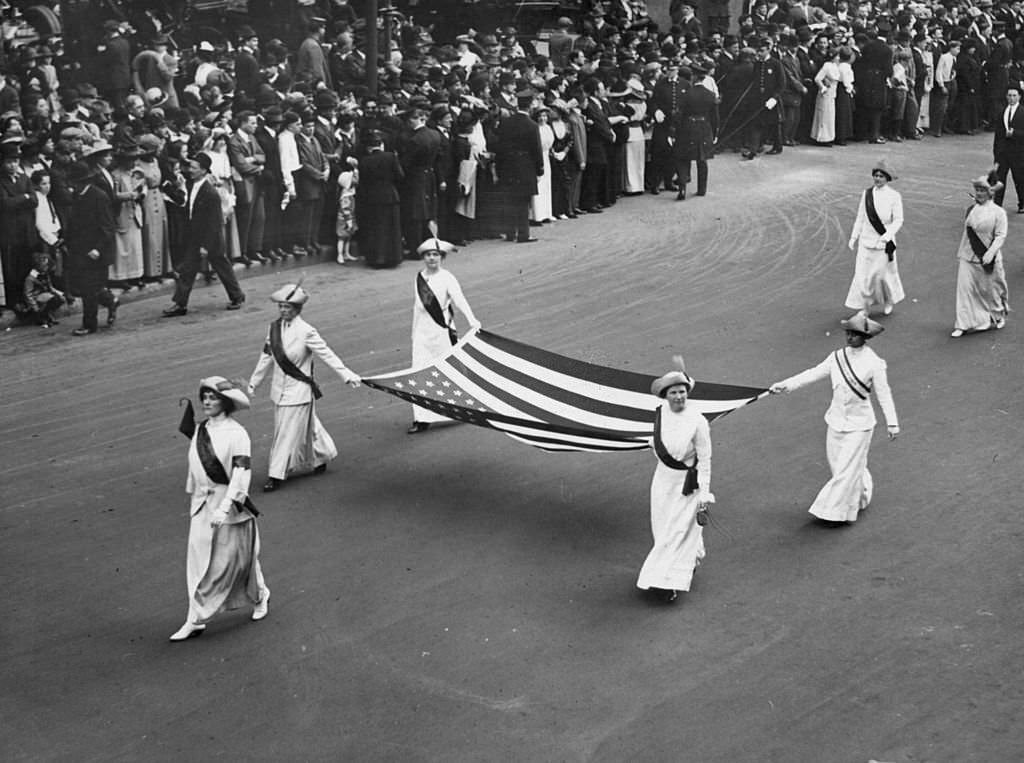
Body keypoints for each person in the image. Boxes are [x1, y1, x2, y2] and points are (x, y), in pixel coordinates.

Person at [769, 312, 899, 525]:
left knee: (845, 472)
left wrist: (892, 423)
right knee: (843, 468)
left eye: (855, 334)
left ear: (865, 337)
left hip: (860, 425)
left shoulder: (875, 363)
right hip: (836, 421)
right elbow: (813, 373)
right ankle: (862, 494)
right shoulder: (837, 357)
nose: (850, 338)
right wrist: (786, 384)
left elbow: (884, 394)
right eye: (848, 333)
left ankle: (831, 513)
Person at [169, 376, 269, 641]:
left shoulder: (238, 434)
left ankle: (260, 595)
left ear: (225, 402)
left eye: (212, 397)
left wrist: (225, 507)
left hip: (229, 508)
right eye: (204, 397)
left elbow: (241, 472)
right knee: (197, 561)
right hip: (201, 505)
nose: (206, 402)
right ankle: (195, 618)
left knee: (240, 561)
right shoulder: (201, 430)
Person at [247, 283, 362, 492]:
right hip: (279, 389)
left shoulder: (306, 331)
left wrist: (346, 374)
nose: (283, 310)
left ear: (297, 309)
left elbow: (327, 354)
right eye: (281, 306)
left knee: (285, 433)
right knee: (308, 425)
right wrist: (255, 381)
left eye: (288, 307)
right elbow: (266, 357)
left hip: (299, 390)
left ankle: (276, 473)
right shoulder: (273, 328)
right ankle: (321, 455)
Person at [636, 359, 714, 603]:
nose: (679, 396)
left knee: (676, 532)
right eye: (674, 393)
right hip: (662, 481)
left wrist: (704, 493)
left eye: (682, 392)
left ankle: (667, 582)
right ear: (665, 395)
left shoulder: (698, 421)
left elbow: (705, 459)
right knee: (662, 528)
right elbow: (658, 442)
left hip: (687, 484)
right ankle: (694, 555)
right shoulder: (659, 415)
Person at [408, 238, 481, 434]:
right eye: (428, 255)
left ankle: (464, 407)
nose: (432, 258)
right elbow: (417, 310)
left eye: (436, 255)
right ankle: (421, 418)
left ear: (442, 258)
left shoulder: (447, 277)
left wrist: (472, 319)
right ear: (423, 258)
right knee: (420, 373)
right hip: (423, 333)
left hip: (441, 330)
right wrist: (414, 335)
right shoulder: (419, 278)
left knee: (448, 370)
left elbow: (459, 300)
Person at [162, 153, 246, 316]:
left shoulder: (210, 193)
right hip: (195, 236)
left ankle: (237, 296)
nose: (190, 170)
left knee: (222, 267)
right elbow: (185, 204)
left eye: (194, 168)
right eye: (190, 167)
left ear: (204, 171)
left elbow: (214, 223)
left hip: (210, 238)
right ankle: (180, 304)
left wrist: (205, 246)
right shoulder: (190, 185)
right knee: (188, 269)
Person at [951, 173, 1010, 337]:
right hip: (968, 255)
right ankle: (962, 324)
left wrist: (991, 253)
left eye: (982, 190)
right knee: (964, 290)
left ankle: (997, 315)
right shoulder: (971, 210)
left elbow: (1000, 235)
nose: (978, 193)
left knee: (991, 290)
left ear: (990, 193)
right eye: (977, 190)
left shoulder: (999, 212)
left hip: (988, 258)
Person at [844, 159, 906, 316]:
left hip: (883, 244)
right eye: (876, 175)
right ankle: (865, 307)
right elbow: (860, 217)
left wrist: (888, 235)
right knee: (862, 277)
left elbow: (898, 219)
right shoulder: (867, 194)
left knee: (881, 277)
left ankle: (889, 300)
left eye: (881, 176)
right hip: (866, 241)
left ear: (887, 178)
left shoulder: (894, 196)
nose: (877, 179)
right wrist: (853, 237)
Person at [65, 161, 119, 336]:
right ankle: (111, 301)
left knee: (89, 288)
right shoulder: (78, 196)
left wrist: (98, 248)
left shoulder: (99, 197)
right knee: (89, 287)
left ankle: (89, 324)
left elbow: (108, 227)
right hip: (80, 250)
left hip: (96, 252)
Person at [671, 66, 718, 200]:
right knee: (702, 159)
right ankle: (702, 189)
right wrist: (715, 133)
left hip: (687, 128)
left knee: (682, 158)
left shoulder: (685, 94)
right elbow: (715, 117)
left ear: (694, 77)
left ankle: (682, 189)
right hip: (704, 128)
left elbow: (678, 115)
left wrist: (674, 131)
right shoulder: (711, 95)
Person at [992, 85, 1024, 213]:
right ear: (1006, 97)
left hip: (1018, 152)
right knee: (1000, 179)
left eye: (1014, 96)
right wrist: (996, 152)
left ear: (1019, 97)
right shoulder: (1002, 112)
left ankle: (1022, 203)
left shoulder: (1022, 112)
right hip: (1003, 152)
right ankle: (997, 204)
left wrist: (1015, 133)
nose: (1011, 98)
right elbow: (998, 134)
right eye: (1009, 95)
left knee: (1020, 178)